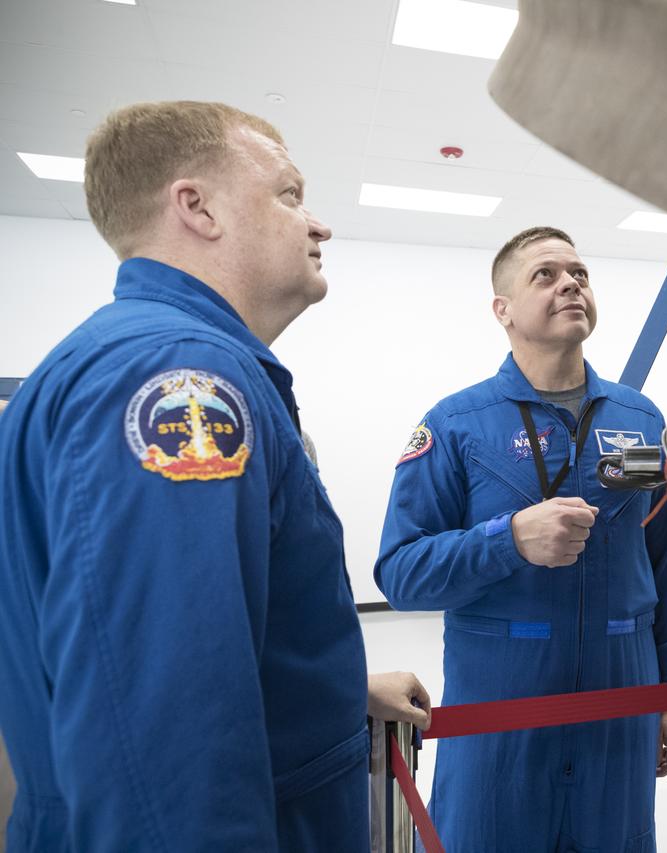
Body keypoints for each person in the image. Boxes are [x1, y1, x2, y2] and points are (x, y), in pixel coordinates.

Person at [0, 101, 430, 852]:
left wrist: (334, 693)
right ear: (196, 207)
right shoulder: (180, 380)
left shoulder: (127, 356)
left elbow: (147, 639)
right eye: (290, 195)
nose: (318, 224)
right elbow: (168, 729)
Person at [377, 226, 667, 852]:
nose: (570, 283)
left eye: (578, 273)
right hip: (503, 705)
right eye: (545, 275)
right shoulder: (457, 426)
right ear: (503, 310)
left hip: (621, 697)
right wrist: (507, 541)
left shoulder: (637, 423)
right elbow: (401, 572)